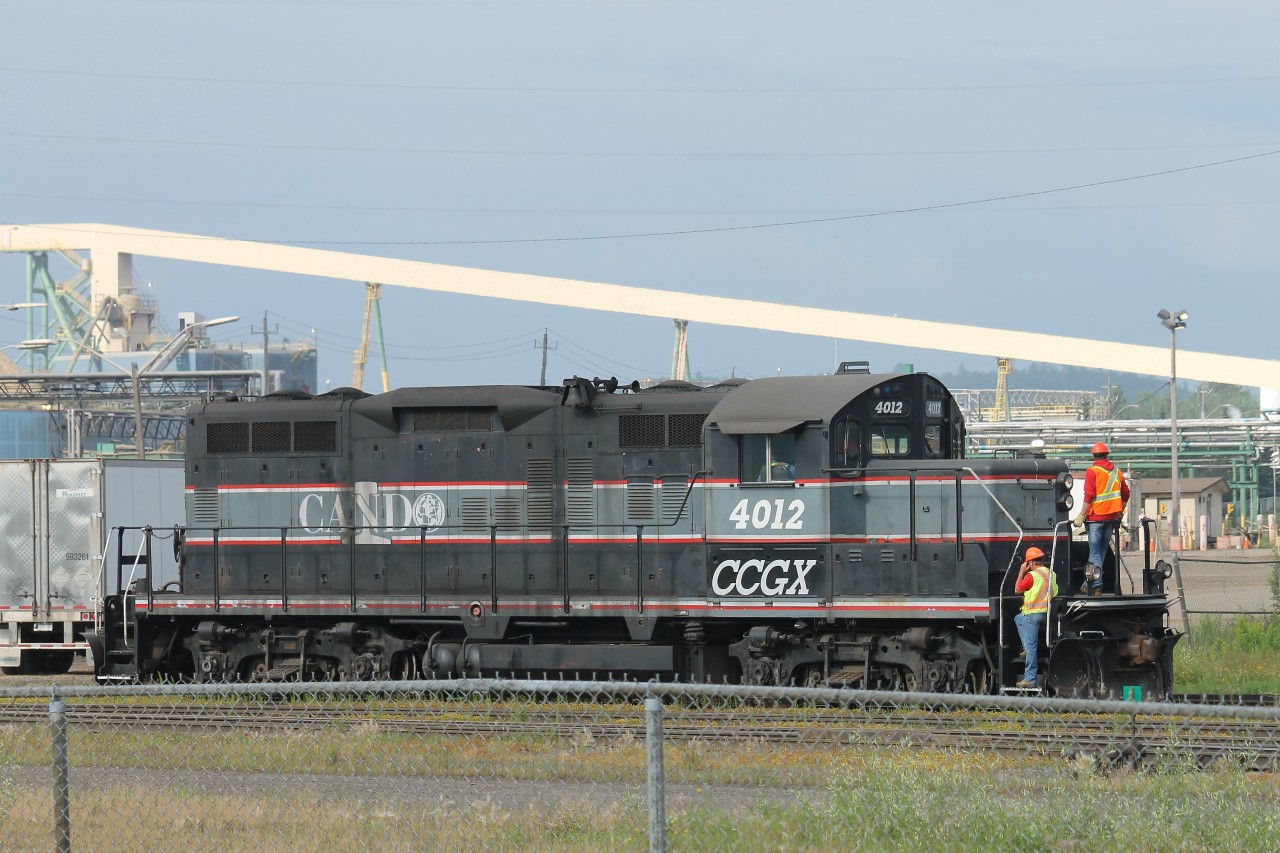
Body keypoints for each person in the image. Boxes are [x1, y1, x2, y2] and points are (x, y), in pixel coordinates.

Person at [1074, 441, 1130, 595]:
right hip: (1111, 518)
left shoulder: (1092, 471)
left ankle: (1096, 584)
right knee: (1102, 551)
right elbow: (1126, 493)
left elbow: (1090, 495)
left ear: (1094, 455)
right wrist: (1119, 512)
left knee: (1095, 552)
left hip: (1096, 518)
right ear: (1107, 455)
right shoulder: (1116, 472)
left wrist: (1081, 515)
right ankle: (1088, 583)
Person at [1013, 546, 1057, 689]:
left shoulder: (1031, 575)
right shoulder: (1051, 573)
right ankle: (1025, 647)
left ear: (1030, 563)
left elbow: (1017, 589)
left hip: (1032, 615)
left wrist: (1021, 572)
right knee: (1018, 618)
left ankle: (1029, 679)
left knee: (1032, 648)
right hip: (1045, 614)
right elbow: (1055, 592)